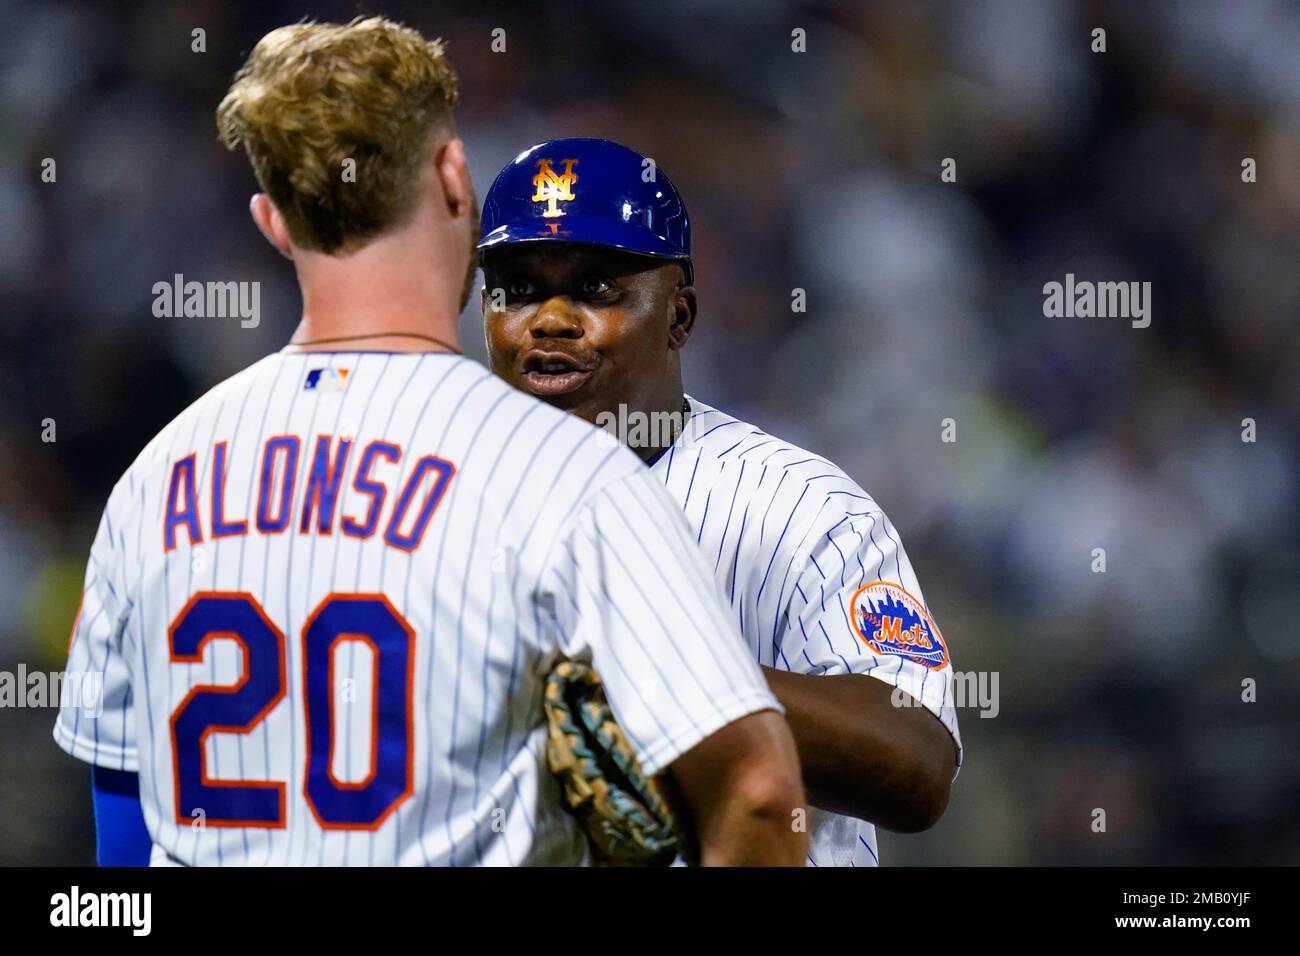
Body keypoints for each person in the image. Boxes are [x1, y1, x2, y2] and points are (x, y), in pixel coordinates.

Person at [54, 21, 805, 867]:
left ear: (271, 222)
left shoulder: (154, 480)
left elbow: (124, 842)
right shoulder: (563, 474)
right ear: (454, 178)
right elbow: (759, 793)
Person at [480, 137, 961, 866]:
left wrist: (646, 672)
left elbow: (916, 763)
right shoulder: (434, 501)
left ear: (679, 316)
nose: (549, 319)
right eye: (517, 288)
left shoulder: (799, 506)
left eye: (595, 288)